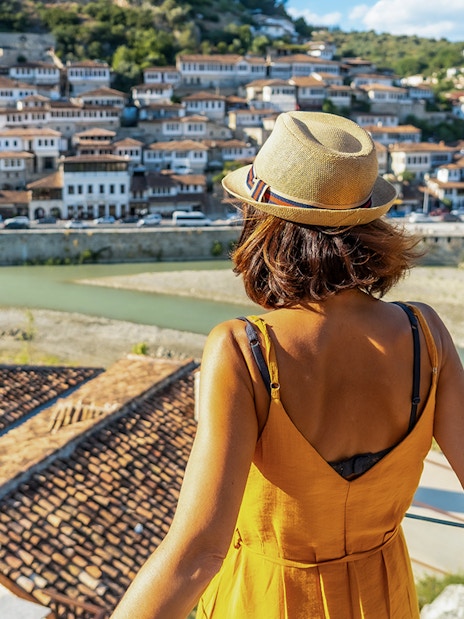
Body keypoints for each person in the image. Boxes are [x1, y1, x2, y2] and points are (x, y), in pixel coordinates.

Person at [110, 112, 464, 619]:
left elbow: (198, 552)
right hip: (386, 600)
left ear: (264, 226)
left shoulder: (242, 348)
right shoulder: (425, 335)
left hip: (266, 601)